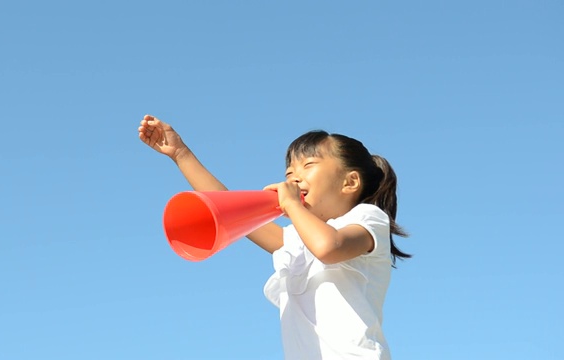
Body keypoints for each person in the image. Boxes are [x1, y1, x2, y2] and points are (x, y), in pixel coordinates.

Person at [138, 114, 411, 360]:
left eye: (308, 165)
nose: (293, 179)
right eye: (289, 172)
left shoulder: (367, 218)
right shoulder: (296, 241)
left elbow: (328, 247)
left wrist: (291, 206)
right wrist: (181, 154)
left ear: (349, 182)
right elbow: (227, 207)